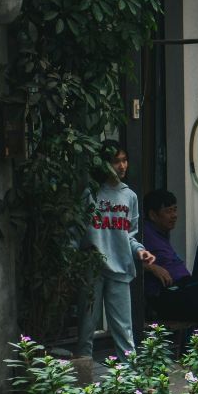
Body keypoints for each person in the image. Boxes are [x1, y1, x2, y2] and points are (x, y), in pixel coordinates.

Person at [79, 143, 156, 360]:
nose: (122, 166)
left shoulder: (129, 196)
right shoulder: (90, 193)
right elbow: (77, 230)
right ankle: (83, 375)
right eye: (116, 161)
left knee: (124, 329)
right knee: (86, 329)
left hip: (120, 267)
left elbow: (130, 235)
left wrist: (140, 251)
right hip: (93, 267)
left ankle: (130, 376)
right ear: (104, 164)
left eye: (124, 160)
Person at [141, 190, 198, 327]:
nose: (174, 215)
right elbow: (126, 257)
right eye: (168, 211)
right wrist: (151, 267)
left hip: (183, 287)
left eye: (175, 210)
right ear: (153, 215)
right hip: (169, 293)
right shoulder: (143, 233)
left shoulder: (161, 233)